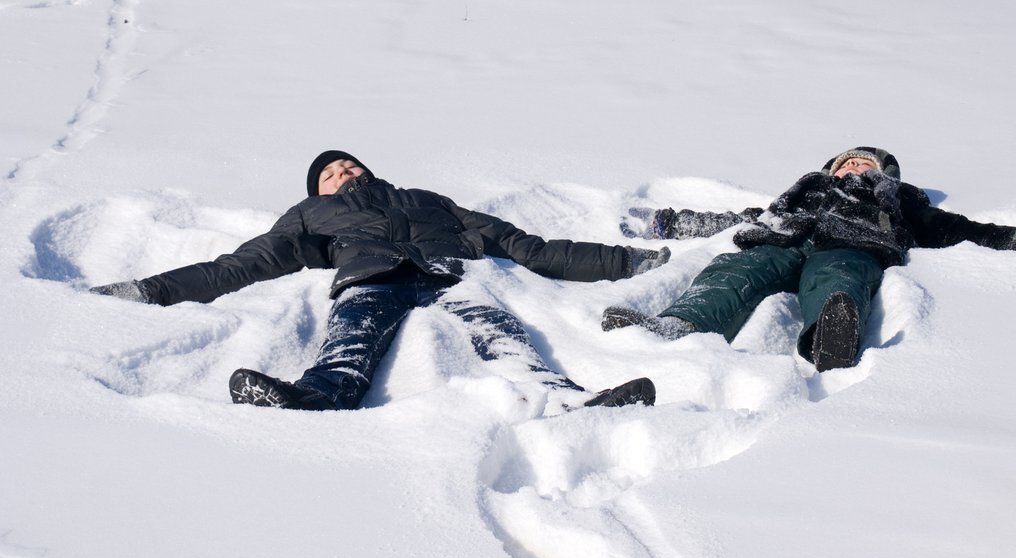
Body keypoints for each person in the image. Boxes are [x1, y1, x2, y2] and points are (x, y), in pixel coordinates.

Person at [91, 151, 669, 411]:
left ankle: (568, 402)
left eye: (348, 165)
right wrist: (151, 289)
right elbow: (244, 263)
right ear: (318, 190)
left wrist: (625, 261)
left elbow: (529, 248)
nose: (342, 173)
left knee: (504, 339)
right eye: (329, 173)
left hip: (450, 277)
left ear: (368, 169)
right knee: (350, 342)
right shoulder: (310, 215)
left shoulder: (425, 200)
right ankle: (315, 398)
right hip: (372, 279)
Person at [604, 146, 1016, 372]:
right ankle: (676, 325)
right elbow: (736, 218)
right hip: (782, 239)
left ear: (885, 173)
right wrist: (667, 222)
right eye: (846, 161)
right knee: (734, 271)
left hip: (853, 245)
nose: (853, 166)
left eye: (866, 163)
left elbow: (967, 230)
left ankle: (828, 340)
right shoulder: (803, 193)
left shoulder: (898, 203)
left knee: (839, 279)